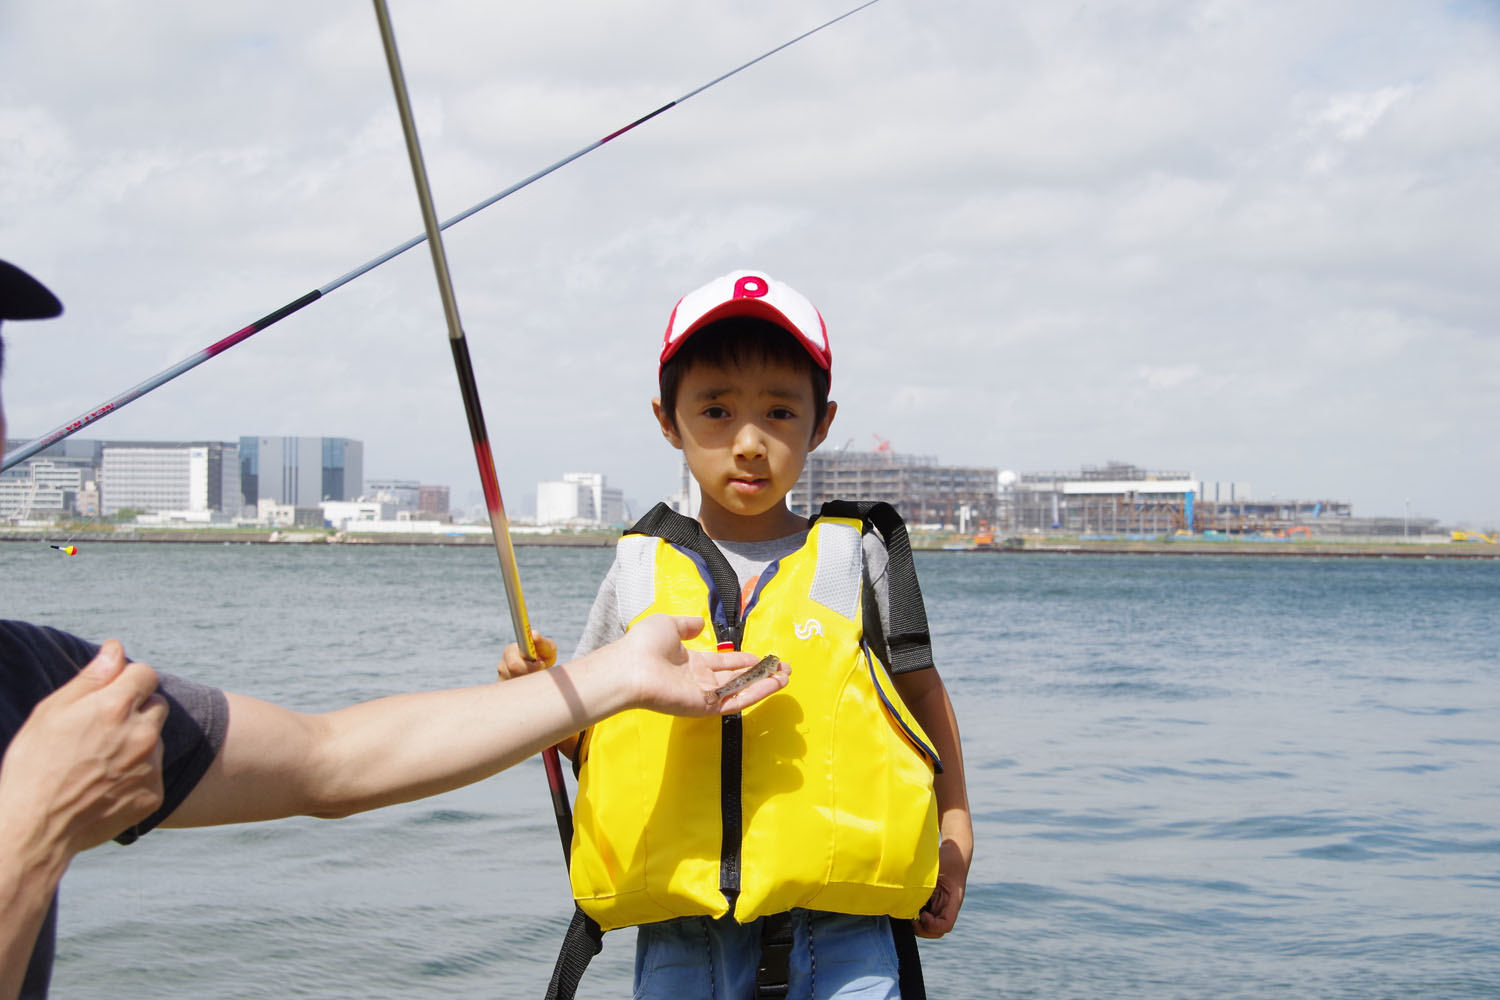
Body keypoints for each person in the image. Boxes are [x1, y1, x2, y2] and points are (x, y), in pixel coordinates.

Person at [0, 258, 789, 1000]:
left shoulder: (36, 681)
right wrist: (36, 823)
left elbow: (330, 761)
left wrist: (612, 675)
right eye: (716, 409)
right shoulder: (47, 745)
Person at [501, 269, 973, 999]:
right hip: (682, 929)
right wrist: (541, 696)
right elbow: (590, 741)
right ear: (667, 419)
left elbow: (918, 695)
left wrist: (956, 828)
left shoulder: (859, 556)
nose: (748, 443)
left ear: (821, 422)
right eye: (715, 410)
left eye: (780, 413)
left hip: (844, 923)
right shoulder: (638, 568)